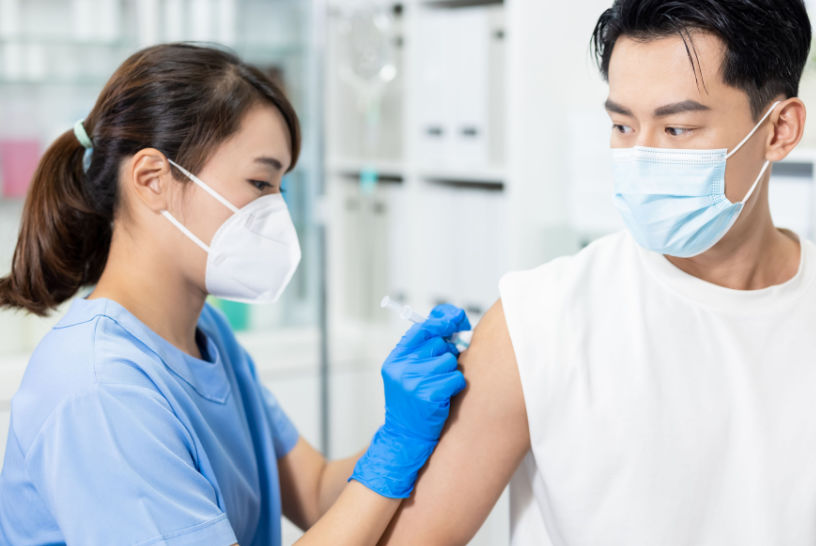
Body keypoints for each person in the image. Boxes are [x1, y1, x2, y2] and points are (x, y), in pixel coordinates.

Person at [377, 1, 816, 544]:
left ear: (780, 130)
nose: (641, 157)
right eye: (623, 127)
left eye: (677, 129)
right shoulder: (538, 322)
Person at [0, 43, 470, 545]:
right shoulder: (99, 389)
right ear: (152, 180)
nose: (277, 217)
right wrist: (396, 448)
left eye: (280, 189)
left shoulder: (207, 335)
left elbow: (314, 492)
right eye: (259, 182)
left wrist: (411, 425)